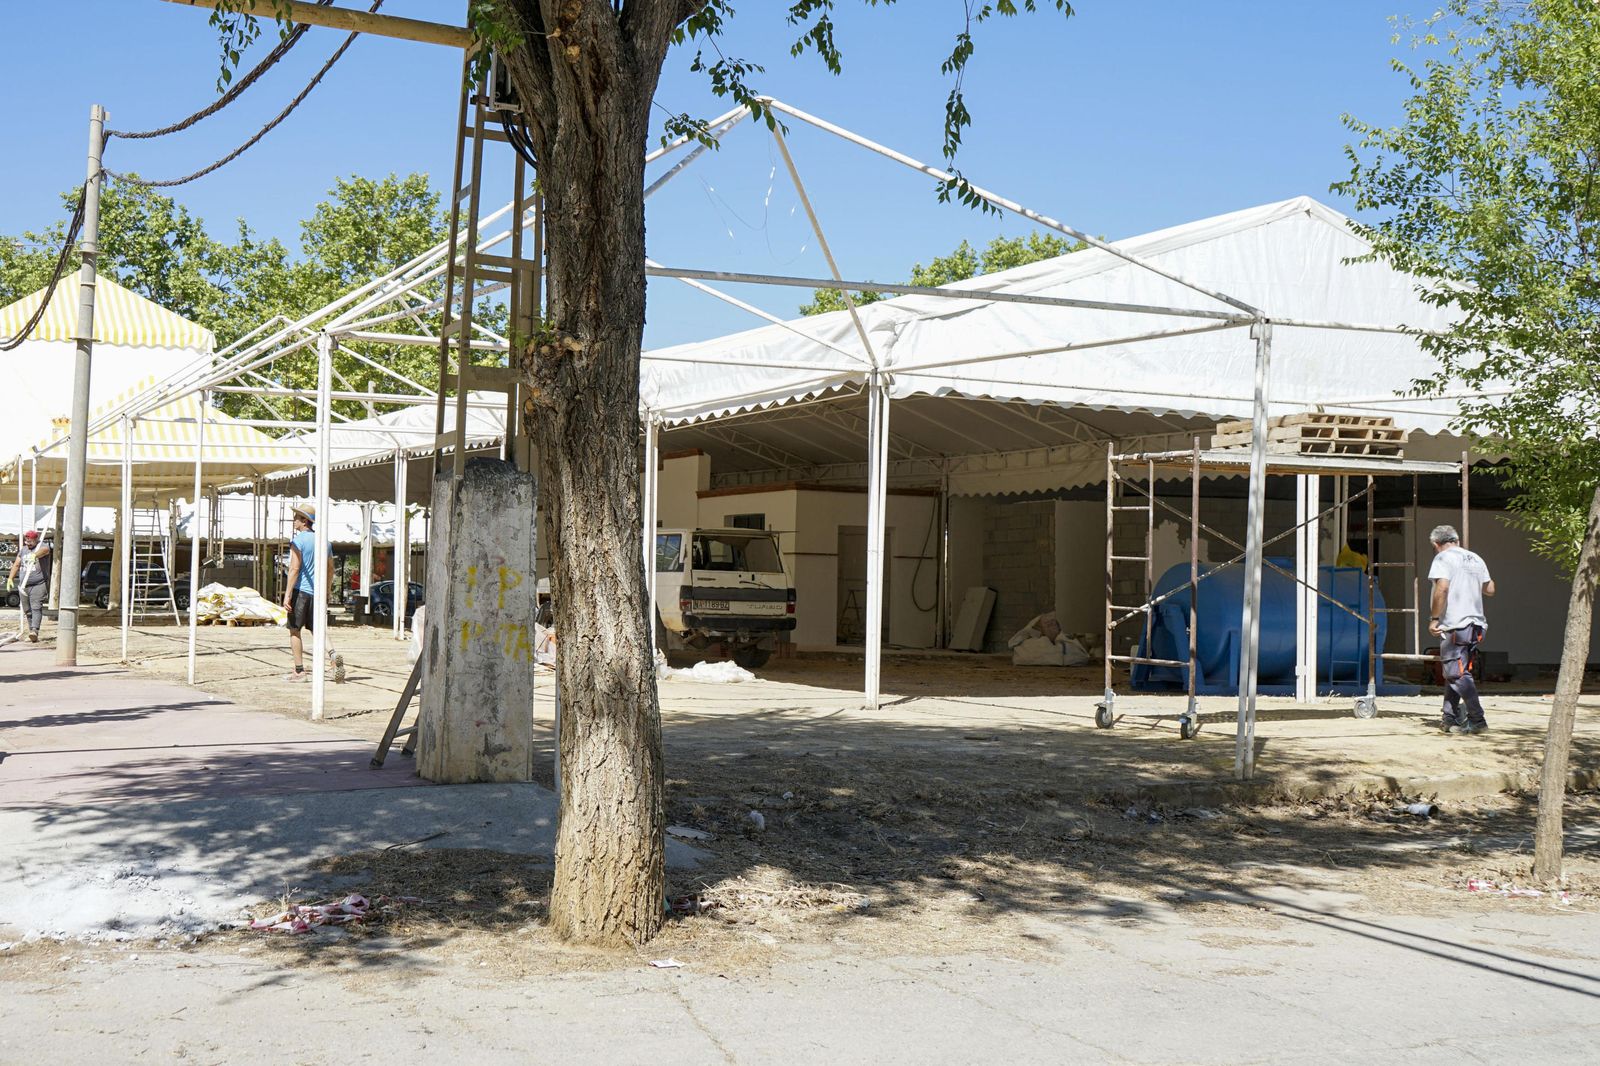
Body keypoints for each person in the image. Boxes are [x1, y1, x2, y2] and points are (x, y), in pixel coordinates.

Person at [1428, 524, 1494, 735]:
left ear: (1436, 544)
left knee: (1456, 673)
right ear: (1456, 540)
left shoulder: (1443, 558)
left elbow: (1443, 587)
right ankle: (1449, 718)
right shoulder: (1475, 558)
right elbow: (1490, 589)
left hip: (1456, 623)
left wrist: (1435, 618)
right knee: (1456, 671)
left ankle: (1477, 719)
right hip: (1476, 624)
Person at [282, 502, 345, 683]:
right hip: (317, 593)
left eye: (296, 518)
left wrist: (287, 595)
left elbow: (294, 569)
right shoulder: (325, 542)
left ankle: (299, 671)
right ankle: (333, 656)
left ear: (304, 521)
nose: (294, 520)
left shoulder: (298, 541)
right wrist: (326, 592)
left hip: (301, 591)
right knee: (318, 630)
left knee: (294, 630)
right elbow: (331, 570)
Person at [6, 530, 51, 642]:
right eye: (26, 541)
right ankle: (32, 632)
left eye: (30, 541)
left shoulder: (42, 546)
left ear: (36, 539)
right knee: (27, 610)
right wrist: (10, 578)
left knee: (36, 607)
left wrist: (35, 555)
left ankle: (35, 630)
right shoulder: (24, 550)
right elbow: (16, 564)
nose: (28, 543)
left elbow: (45, 551)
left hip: (39, 584)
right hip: (24, 585)